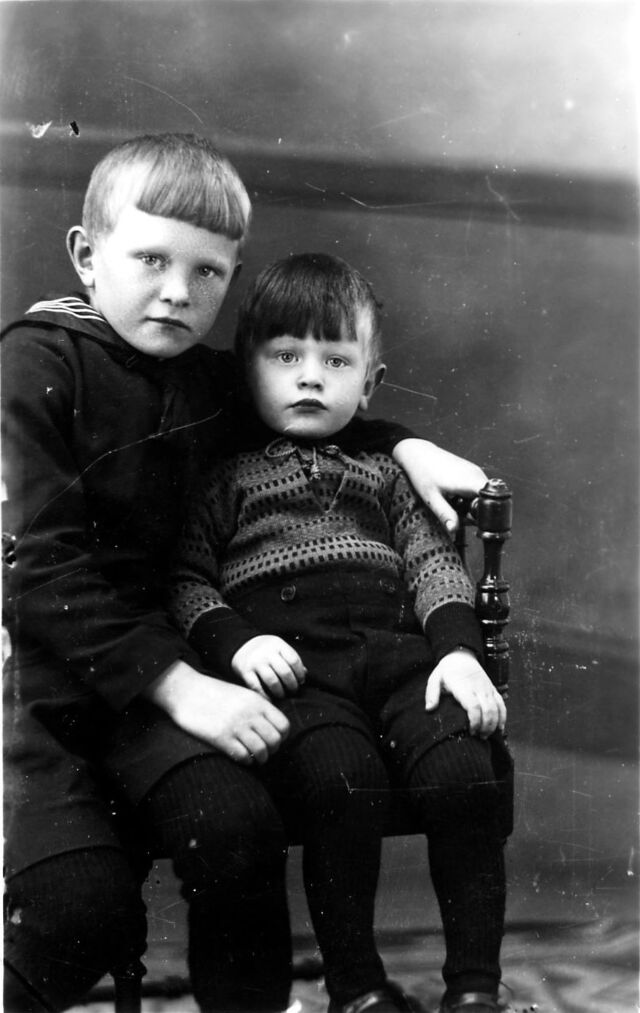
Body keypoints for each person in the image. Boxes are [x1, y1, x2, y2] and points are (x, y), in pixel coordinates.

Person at [1, 134, 489, 1013]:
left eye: (208, 272)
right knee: (79, 909)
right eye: (151, 259)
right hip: (56, 694)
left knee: (236, 825)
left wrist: (405, 445)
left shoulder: (206, 378)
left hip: (164, 690)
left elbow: (314, 407)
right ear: (86, 254)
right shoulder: (35, 363)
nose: (177, 292)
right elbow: (35, 570)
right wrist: (183, 687)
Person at [168, 253, 514, 1013]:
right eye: (285, 356)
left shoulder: (384, 472)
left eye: (335, 360)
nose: (309, 378)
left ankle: (474, 988)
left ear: (370, 383)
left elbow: (433, 563)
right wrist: (236, 642)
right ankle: (357, 987)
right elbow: (186, 579)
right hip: (302, 680)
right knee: (339, 778)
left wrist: (459, 653)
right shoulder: (223, 479)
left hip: (401, 663)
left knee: (465, 771)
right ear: (247, 369)